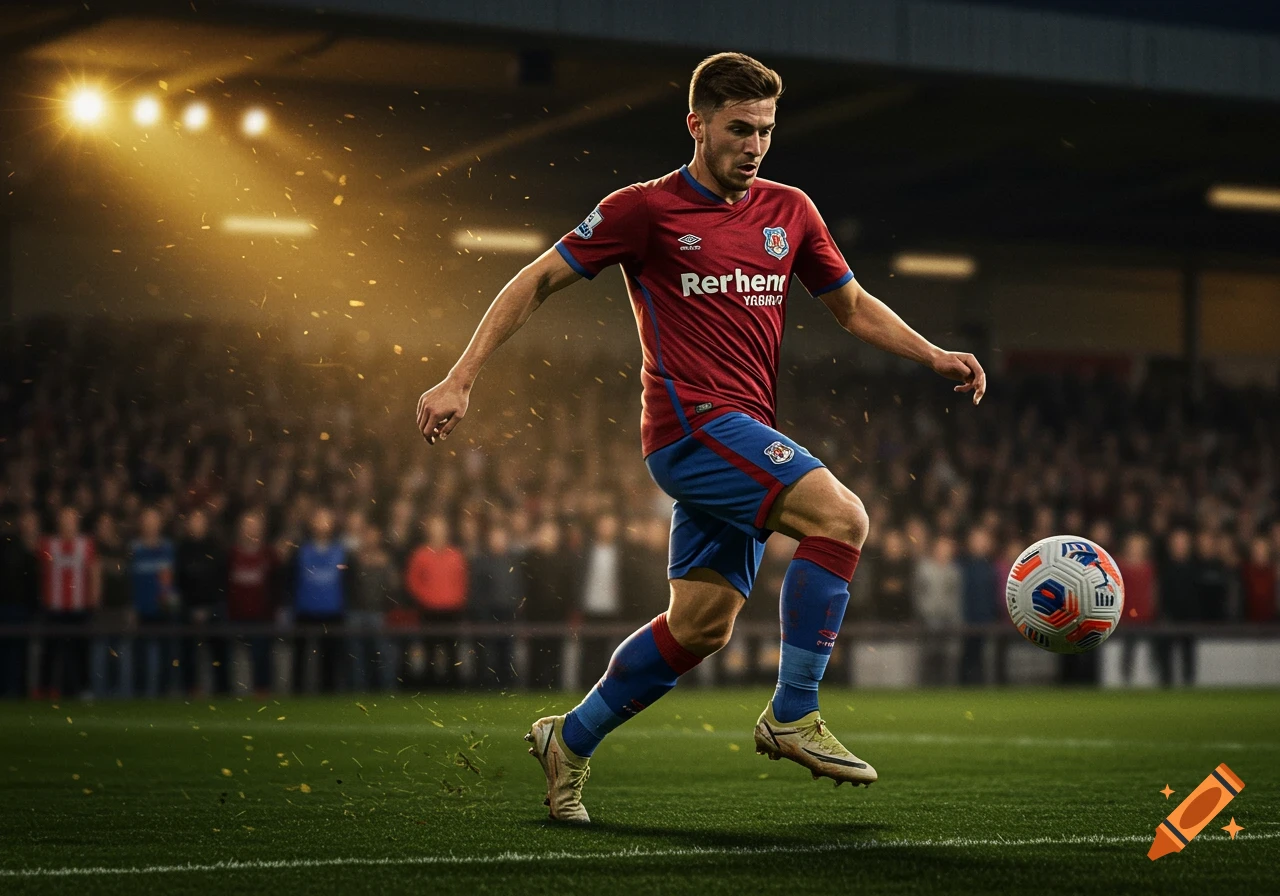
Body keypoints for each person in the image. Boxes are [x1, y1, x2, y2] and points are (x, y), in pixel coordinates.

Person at [414, 52, 985, 821]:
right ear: (698, 125)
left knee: (700, 627)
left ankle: (569, 738)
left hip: (743, 430)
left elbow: (850, 306)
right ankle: (794, 713)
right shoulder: (643, 210)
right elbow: (537, 278)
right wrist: (460, 377)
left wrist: (933, 354)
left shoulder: (791, 210)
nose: (755, 146)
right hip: (689, 428)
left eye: (767, 131)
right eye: (740, 129)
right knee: (841, 517)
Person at [38, 506, 99, 699]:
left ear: (77, 522)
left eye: (71, 520)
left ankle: (82, 688)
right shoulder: (48, 544)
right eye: (64, 520)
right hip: (54, 608)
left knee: (80, 651)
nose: (68, 524)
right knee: (50, 651)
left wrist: (94, 600)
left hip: (79, 608)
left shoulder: (86, 544)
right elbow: (40, 573)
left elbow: (94, 571)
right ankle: (46, 689)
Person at [404, 514, 468, 686]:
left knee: (452, 651)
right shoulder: (420, 554)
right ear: (428, 530)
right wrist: (426, 598)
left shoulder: (455, 555)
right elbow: (412, 581)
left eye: (441, 528)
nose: (438, 532)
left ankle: (452, 685)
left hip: (452, 610)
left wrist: (456, 599)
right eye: (435, 528)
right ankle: (430, 685)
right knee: (429, 650)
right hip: (429, 610)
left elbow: (463, 580)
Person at [291, 506, 349, 693]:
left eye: (326, 519)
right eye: (319, 519)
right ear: (311, 523)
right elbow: (291, 578)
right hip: (305, 610)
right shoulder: (300, 549)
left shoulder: (341, 551)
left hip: (332, 612)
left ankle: (328, 696)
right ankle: (297, 696)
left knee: (330, 660)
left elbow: (349, 581)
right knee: (300, 658)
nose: (322, 524)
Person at [176, 509, 229, 695]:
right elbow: (179, 582)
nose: (197, 524)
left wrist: (210, 608)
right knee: (188, 655)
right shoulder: (182, 550)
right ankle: (191, 691)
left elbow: (222, 581)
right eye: (194, 521)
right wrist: (190, 608)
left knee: (219, 655)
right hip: (188, 610)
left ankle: (222, 692)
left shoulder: (216, 548)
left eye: (200, 520)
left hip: (213, 609)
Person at [129, 506, 178, 697]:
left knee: (166, 656)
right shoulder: (134, 549)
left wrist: (172, 604)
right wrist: (131, 607)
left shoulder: (168, 548)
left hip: (163, 609)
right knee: (140, 658)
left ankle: (164, 694)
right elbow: (129, 581)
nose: (151, 524)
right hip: (140, 611)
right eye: (147, 520)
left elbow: (172, 580)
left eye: (154, 520)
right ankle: (139, 695)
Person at [227, 509, 277, 694]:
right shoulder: (231, 554)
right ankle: (228, 694)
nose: (251, 529)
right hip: (236, 615)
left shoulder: (269, 555)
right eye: (247, 525)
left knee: (262, 657)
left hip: (262, 616)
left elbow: (278, 584)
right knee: (231, 659)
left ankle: (262, 692)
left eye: (255, 525)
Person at [468, 522, 522, 688]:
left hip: (508, 613)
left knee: (506, 651)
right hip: (487, 613)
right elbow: (476, 590)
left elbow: (518, 588)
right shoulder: (480, 562)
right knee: (486, 652)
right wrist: (480, 613)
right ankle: (485, 683)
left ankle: (505, 683)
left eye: (501, 537)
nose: (498, 541)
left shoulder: (513, 562)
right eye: (494, 537)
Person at [89, 512, 133, 698]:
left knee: (123, 654)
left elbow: (126, 573)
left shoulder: (125, 548)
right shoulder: (94, 548)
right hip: (101, 610)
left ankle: (124, 695)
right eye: (100, 525)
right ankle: (99, 694)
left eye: (106, 525)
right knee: (99, 653)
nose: (103, 529)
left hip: (121, 608)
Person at [0, 510, 42, 698]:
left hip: (22, 608)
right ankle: (12, 689)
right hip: (14, 607)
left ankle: (16, 689)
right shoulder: (14, 547)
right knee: (12, 651)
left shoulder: (35, 547)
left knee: (18, 651)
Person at [957, 528, 997, 685]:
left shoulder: (992, 566)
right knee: (966, 658)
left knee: (986, 660)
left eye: (982, 540)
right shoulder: (961, 564)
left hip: (986, 620)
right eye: (976, 540)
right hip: (966, 621)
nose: (979, 544)